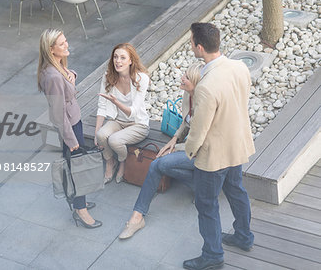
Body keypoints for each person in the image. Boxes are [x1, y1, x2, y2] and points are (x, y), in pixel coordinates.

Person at [182, 23, 256, 270]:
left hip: (213, 157)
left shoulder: (206, 86)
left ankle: (213, 255)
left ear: (200, 48)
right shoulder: (239, 66)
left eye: (191, 42)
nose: (190, 45)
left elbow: (199, 130)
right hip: (237, 145)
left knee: (206, 203)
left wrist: (189, 151)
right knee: (236, 190)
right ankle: (244, 236)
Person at [118, 62, 204, 240]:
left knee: (158, 163)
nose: (182, 78)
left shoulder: (205, 105)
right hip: (190, 148)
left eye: (186, 77)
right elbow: (186, 122)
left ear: (196, 83)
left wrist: (175, 150)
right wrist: (174, 140)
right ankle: (199, 187)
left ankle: (137, 217)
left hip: (203, 154)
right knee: (161, 162)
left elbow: (198, 145)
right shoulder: (187, 95)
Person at [38, 28, 102, 229]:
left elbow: (67, 75)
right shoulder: (52, 76)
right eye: (62, 43)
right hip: (70, 127)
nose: (67, 45)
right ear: (51, 49)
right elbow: (58, 114)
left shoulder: (57, 67)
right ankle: (80, 211)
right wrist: (71, 140)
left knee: (76, 167)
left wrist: (71, 74)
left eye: (66, 41)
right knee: (78, 169)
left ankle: (78, 202)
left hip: (74, 121)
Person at [95, 43, 150, 184]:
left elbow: (133, 112)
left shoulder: (141, 78)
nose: (118, 61)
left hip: (138, 124)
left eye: (122, 58)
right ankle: (109, 162)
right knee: (101, 135)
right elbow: (101, 106)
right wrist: (96, 133)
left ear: (131, 61)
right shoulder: (108, 76)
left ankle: (122, 162)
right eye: (115, 57)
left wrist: (115, 102)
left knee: (114, 140)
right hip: (118, 121)